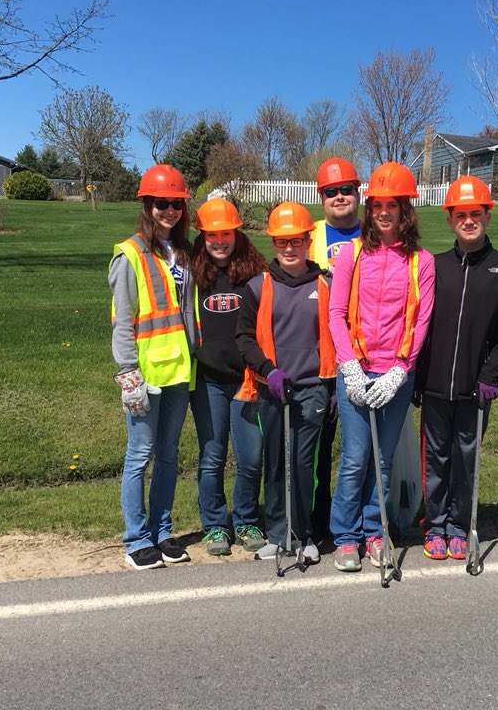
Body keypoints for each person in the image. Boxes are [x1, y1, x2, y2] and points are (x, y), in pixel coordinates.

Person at [414, 176, 498, 561]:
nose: (468, 221)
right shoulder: (435, 266)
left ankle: (459, 526)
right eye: (460, 214)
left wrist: (491, 373)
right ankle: (434, 524)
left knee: (466, 457)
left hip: (475, 387)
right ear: (450, 219)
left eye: (475, 214)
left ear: (487, 216)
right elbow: (419, 324)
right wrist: (415, 375)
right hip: (433, 386)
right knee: (436, 458)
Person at [328, 162, 436, 572]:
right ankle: (345, 537)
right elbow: (337, 313)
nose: (384, 213)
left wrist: (401, 370)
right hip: (355, 369)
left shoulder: (420, 262)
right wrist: (350, 365)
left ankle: (376, 531)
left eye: (393, 205)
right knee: (356, 457)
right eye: (377, 205)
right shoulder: (352, 254)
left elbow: (421, 319)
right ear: (369, 209)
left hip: (396, 375)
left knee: (384, 460)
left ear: (406, 209)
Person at [236, 202, 335, 563]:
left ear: (308, 240)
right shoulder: (257, 287)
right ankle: (279, 534)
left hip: (312, 388)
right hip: (272, 387)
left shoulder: (326, 283)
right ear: (272, 244)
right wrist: (268, 370)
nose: (289, 249)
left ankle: (305, 533)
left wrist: (334, 385)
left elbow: (340, 335)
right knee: (277, 462)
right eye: (281, 242)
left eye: (296, 241)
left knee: (303, 464)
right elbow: (244, 338)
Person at [109, 164, 196, 570]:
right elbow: (122, 319)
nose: (170, 211)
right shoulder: (129, 255)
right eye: (162, 204)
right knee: (139, 455)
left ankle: (162, 531)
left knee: (168, 455)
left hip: (180, 372)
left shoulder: (184, 252)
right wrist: (128, 374)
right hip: (145, 375)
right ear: (147, 205)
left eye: (176, 204)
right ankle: (136, 538)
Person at [189, 197, 269, 556]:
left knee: (251, 457)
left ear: (237, 233)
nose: (219, 241)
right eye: (211, 234)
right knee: (212, 457)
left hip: (246, 381)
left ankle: (247, 518)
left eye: (226, 233)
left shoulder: (255, 273)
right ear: (202, 236)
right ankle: (216, 526)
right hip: (208, 381)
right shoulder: (191, 274)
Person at [308, 157, 362, 542]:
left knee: (362, 448)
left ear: (358, 193)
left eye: (346, 189)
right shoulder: (307, 236)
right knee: (319, 446)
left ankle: (363, 519)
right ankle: (318, 517)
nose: (340, 197)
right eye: (331, 191)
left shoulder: (377, 233)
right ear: (320, 196)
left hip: (367, 356)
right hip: (320, 359)